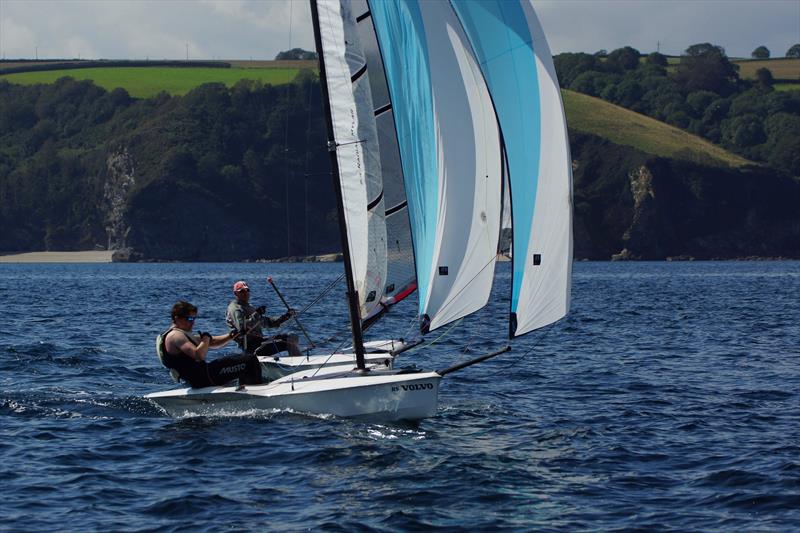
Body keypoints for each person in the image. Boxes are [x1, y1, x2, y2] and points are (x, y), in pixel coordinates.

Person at [159, 300, 263, 389]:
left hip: (202, 375)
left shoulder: (181, 333)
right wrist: (206, 338)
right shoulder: (175, 336)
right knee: (250, 361)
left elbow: (212, 342)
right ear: (177, 318)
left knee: (242, 358)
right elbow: (199, 355)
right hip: (204, 377)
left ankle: (245, 390)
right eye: (190, 319)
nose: (193, 322)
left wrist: (232, 335)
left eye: (194, 319)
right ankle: (257, 394)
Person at [225, 280, 303, 358]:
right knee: (289, 342)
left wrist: (286, 316)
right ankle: (298, 365)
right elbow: (242, 328)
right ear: (235, 293)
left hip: (260, 341)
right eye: (241, 291)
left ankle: (295, 359)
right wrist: (257, 314)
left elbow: (268, 323)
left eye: (247, 290)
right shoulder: (235, 308)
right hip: (251, 347)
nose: (245, 293)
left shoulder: (248, 306)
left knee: (292, 336)